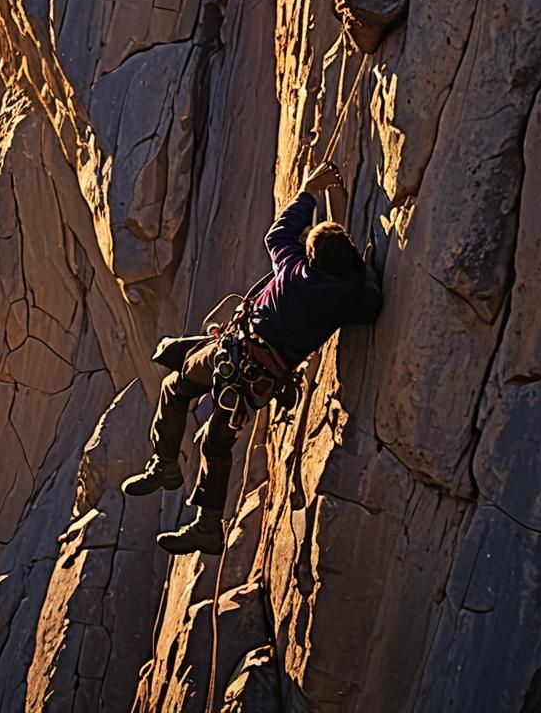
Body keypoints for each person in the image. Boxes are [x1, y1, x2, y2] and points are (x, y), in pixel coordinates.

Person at [121, 161, 382, 555]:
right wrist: (365, 269)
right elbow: (371, 304)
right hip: (255, 381)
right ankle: (207, 524)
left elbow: (278, 235)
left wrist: (309, 192)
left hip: (233, 355)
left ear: (311, 257)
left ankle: (165, 465)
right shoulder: (345, 298)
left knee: (176, 388)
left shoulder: (295, 272)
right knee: (215, 440)